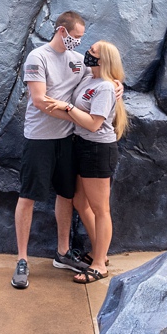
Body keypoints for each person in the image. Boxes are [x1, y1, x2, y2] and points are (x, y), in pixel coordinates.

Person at [11, 11, 92, 290]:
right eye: (76, 37)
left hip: (66, 141)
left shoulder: (78, 61)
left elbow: (103, 77)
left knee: (66, 195)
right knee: (28, 196)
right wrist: (79, 116)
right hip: (39, 140)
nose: (78, 43)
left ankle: (62, 252)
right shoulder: (38, 57)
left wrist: (116, 85)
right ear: (61, 31)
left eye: (81, 38)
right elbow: (39, 101)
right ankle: (22, 259)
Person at [45, 39, 127, 283]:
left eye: (92, 52)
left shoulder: (104, 87)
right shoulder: (90, 79)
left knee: (101, 209)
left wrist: (67, 107)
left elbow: (93, 123)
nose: (87, 54)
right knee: (81, 202)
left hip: (97, 149)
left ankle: (100, 264)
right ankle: (98, 252)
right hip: (81, 145)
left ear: (103, 60)